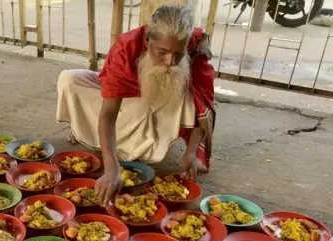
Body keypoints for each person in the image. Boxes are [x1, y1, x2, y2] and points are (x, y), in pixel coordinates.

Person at [56, 4, 215, 206]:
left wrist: (192, 153)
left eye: (179, 54)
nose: (170, 62)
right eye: (163, 52)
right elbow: (108, 114)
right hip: (124, 96)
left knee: (192, 91)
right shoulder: (125, 48)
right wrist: (112, 170)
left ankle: (142, 144)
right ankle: (100, 140)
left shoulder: (195, 43)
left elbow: (204, 103)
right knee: (70, 79)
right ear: (148, 40)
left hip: (163, 100)